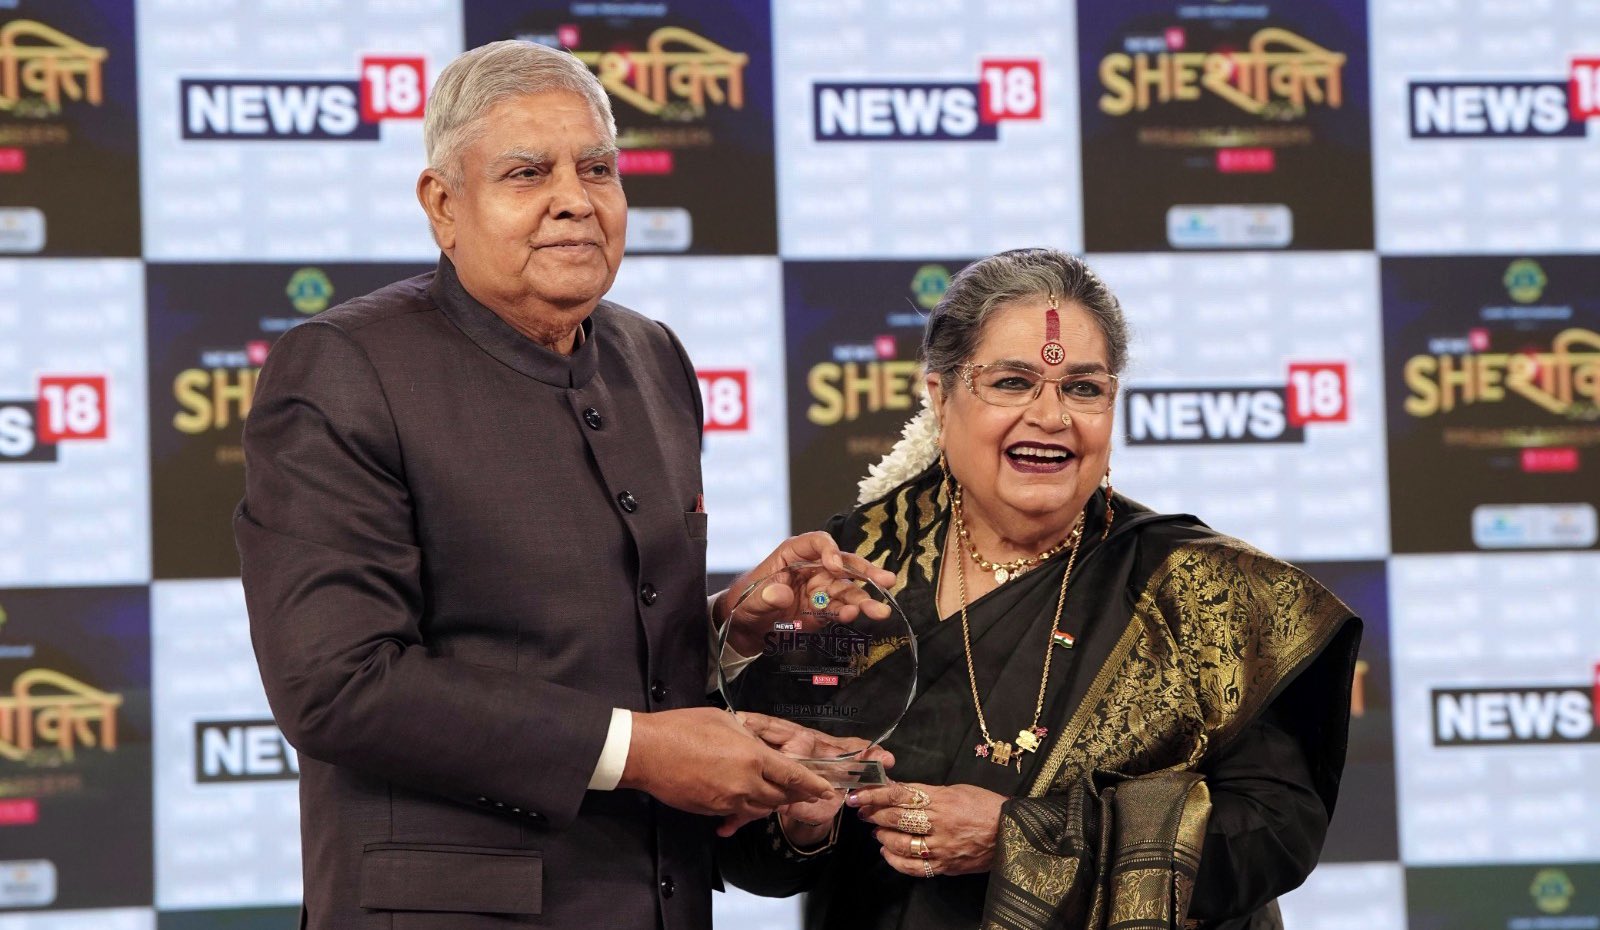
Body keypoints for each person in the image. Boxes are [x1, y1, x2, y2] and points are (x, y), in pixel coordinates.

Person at [233, 40, 858, 929]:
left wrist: (730, 628)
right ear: (443, 206)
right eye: (527, 172)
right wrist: (637, 750)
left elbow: (600, 645)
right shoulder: (343, 368)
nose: (574, 198)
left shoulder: (652, 355)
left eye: (596, 168)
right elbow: (338, 686)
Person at [717, 248, 1362, 930]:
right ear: (940, 397)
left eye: (1083, 388)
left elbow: (1273, 832)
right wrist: (802, 821)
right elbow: (754, 856)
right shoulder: (861, 565)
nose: (1051, 416)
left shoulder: (1197, 592)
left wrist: (1022, 840)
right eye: (1013, 382)